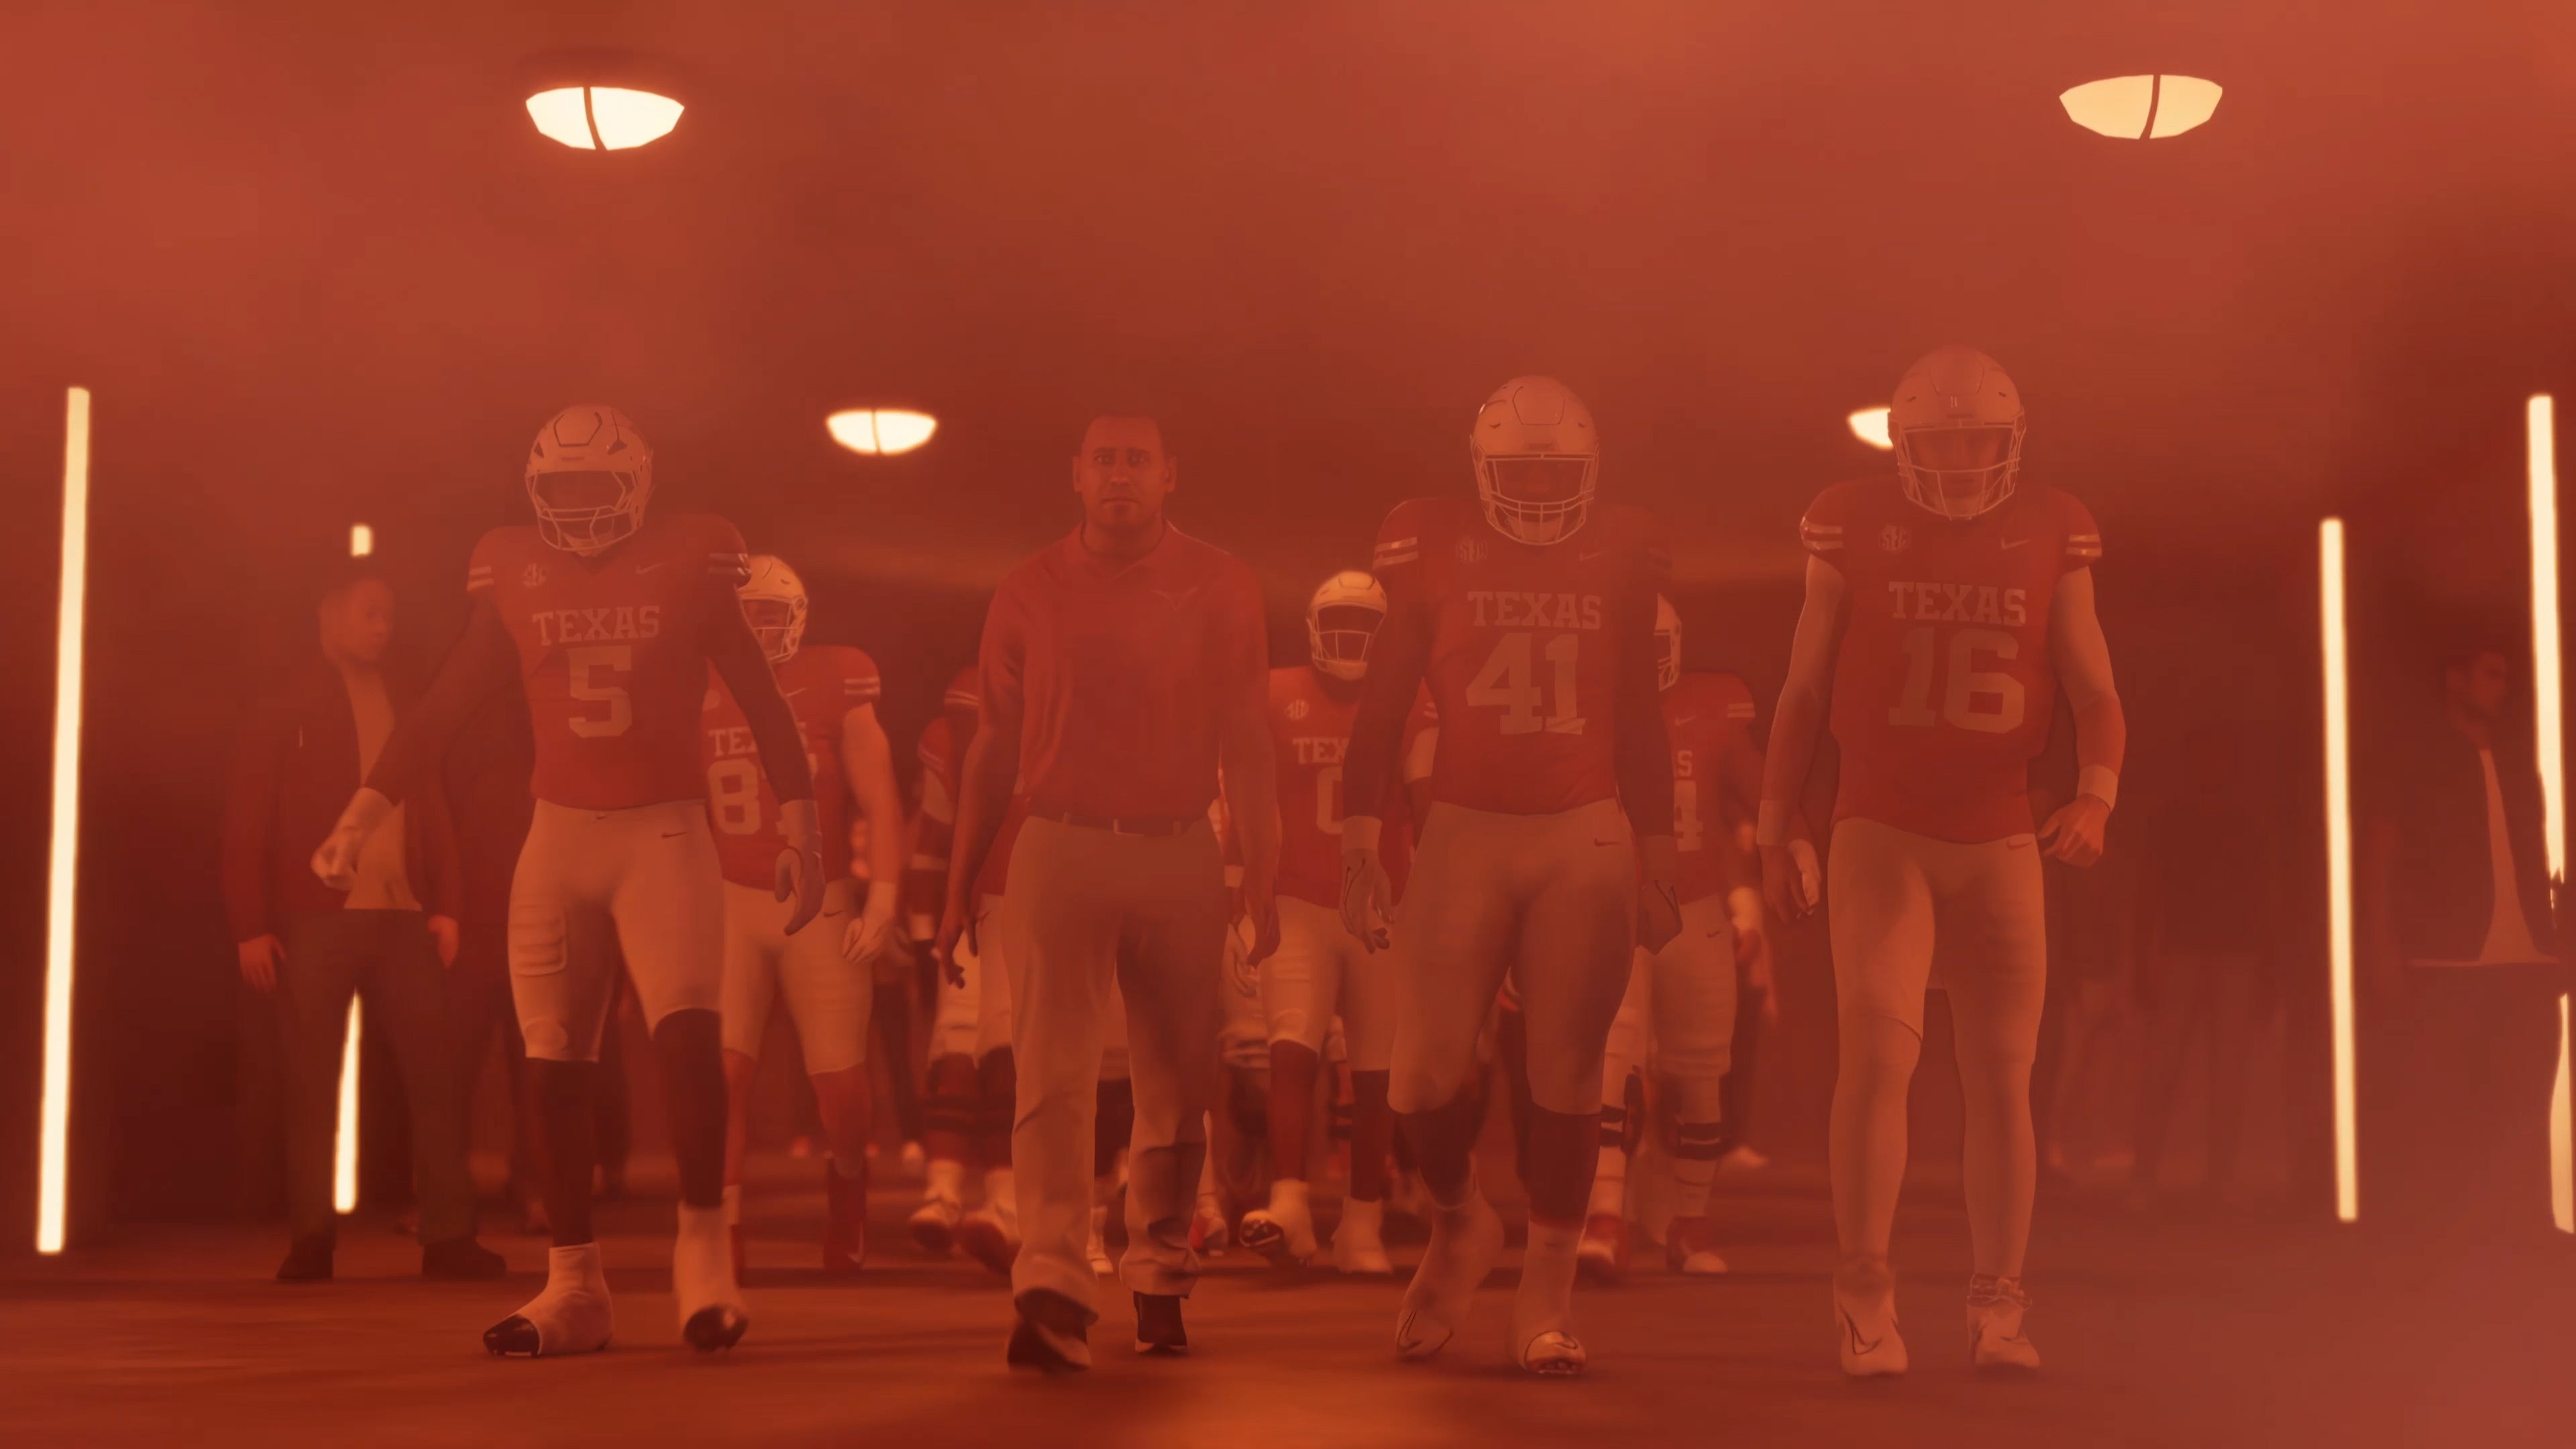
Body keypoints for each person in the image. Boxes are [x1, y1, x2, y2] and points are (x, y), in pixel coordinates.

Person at [309, 405, 826, 1358]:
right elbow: (446, 706)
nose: (581, 505)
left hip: (663, 831)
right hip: (557, 834)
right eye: (564, 488)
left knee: (685, 1039)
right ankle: (574, 1283)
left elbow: (759, 695)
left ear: (639, 485)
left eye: (597, 485)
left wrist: (802, 820)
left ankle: (702, 1255)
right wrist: (362, 811)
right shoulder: (512, 565)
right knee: (550, 1063)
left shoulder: (694, 555)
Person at [1758, 345, 2123, 1375]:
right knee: (1880, 1060)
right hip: (1882, 830)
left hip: (1999, 835)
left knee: (2003, 1078)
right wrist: (1774, 826)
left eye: (1979, 443)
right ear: (1904, 447)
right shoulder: (1851, 518)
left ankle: (1999, 1303)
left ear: (2013, 444)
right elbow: (1802, 689)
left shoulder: (2052, 526)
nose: (1962, 463)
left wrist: (2097, 793)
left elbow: (2095, 688)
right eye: (1943, 444)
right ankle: (1864, 1293)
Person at [1340, 375, 1681, 1376]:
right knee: (1418, 1077)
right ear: (1482, 471)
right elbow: (1384, 702)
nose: (1536, 490)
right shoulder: (1430, 539)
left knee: (1568, 1075)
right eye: (1520, 472)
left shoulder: (1622, 547)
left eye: (1554, 472)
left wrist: (1661, 857)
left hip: (1582, 830)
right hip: (1463, 829)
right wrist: (1360, 846)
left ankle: (1547, 1296)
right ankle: (1460, 1220)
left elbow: (1639, 711)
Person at [936, 414, 1279, 1371]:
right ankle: (1050, 1282)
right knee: (1051, 1077)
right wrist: (961, 882)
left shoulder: (1221, 582)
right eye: (1105, 460)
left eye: (1137, 460)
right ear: (1077, 477)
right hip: (1058, 841)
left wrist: (1262, 869)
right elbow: (992, 744)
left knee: (1176, 1083)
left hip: (1179, 845)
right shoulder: (1029, 587)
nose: (1120, 474)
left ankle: (1161, 1272)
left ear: (1170, 475)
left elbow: (1249, 734)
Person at [221, 561, 504, 1285]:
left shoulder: (406, 701)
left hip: (404, 916)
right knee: (310, 1082)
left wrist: (446, 903)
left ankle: (449, 1234)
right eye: (369, 613)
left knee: (435, 1079)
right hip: (315, 919)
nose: (383, 628)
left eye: (388, 615)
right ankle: (311, 1237)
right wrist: (251, 922)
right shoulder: (286, 704)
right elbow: (249, 815)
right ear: (329, 614)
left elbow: (431, 801)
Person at [705, 555, 903, 1272]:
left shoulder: (834, 677)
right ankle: (720, 1226)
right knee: (722, 1076)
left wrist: (883, 897)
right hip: (727, 897)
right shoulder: (692, 683)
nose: (757, 631)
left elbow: (879, 797)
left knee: (840, 1090)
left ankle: (848, 1181)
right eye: (744, 615)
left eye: (769, 615)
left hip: (819, 901)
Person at [1579, 598, 1762, 1283]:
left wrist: (1789, 842)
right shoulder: (1582, 706)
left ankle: (1691, 1220)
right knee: (1611, 1057)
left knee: (1700, 1072)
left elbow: (1757, 791)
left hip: (1697, 902)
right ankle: (1606, 1216)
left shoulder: (1714, 706)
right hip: (1616, 904)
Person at [2363, 636, 2564, 1244]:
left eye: (2505, 677)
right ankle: (2448, 1231)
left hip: (2525, 958)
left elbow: (2536, 850)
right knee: (2447, 1101)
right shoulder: (2417, 757)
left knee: (2523, 1099)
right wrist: (2382, 945)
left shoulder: (2516, 760)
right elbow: (2382, 851)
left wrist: (2557, 940)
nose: (2502, 688)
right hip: (2447, 957)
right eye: (2490, 674)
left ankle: (2524, 1225)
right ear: (2457, 679)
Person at [1236, 571, 1407, 1276]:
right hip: (1299, 899)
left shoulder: (1412, 698)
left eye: (1365, 626)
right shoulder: (1274, 693)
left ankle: (1363, 1221)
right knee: (1290, 1052)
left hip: (1383, 908)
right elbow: (1247, 799)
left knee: (1376, 1072)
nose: (1351, 640)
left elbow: (1430, 805)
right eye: (1339, 624)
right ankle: (1290, 1203)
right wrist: (1241, 893)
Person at [908, 667, 1022, 1270]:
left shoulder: (1064, 725)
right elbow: (933, 842)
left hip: (1041, 906)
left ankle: (1013, 1200)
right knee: (958, 1046)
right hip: (974, 908)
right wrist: (923, 928)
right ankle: (947, 1190)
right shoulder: (947, 737)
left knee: (1014, 1053)